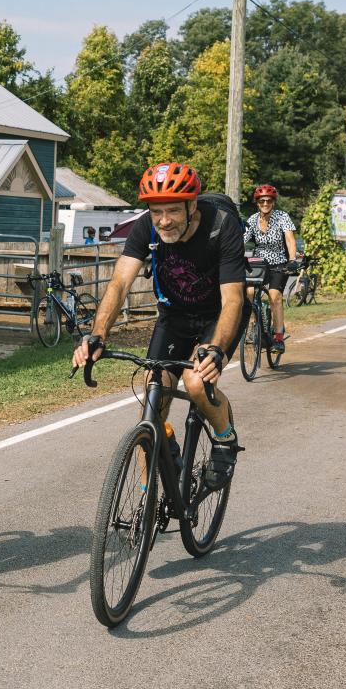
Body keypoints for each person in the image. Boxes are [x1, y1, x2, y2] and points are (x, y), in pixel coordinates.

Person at [71, 163, 246, 488]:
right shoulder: (146, 228)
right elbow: (120, 284)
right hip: (175, 316)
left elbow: (234, 299)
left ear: (192, 205)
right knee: (153, 400)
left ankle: (225, 438)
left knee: (195, 383)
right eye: (157, 211)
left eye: (173, 211)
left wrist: (217, 350)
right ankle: (146, 501)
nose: (164, 220)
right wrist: (98, 333)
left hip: (217, 316)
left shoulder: (221, 226)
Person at [243, 184, 299, 345]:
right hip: (259, 263)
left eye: (268, 201)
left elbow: (290, 240)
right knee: (250, 292)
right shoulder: (252, 220)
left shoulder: (282, 217)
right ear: (257, 203)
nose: (265, 204)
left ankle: (279, 336)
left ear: (273, 202)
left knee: (275, 296)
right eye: (262, 201)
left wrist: (292, 259)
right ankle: (256, 325)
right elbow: (241, 240)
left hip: (279, 263)